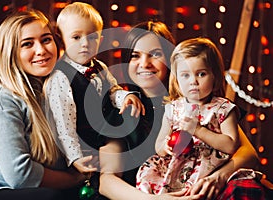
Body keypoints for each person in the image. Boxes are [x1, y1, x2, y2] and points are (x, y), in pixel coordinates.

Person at [99, 21, 261, 200]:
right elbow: (106, 181)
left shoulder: (195, 100)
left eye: (155, 54)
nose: (144, 63)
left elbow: (248, 153)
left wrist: (219, 177)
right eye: (135, 56)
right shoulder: (124, 110)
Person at [0, 9, 86, 200]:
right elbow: (20, 176)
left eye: (46, 40)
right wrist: (76, 179)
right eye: (27, 44)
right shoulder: (1, 100)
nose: (41, 50)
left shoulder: (59, 92)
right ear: (11, 53)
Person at [44, 1, 145, 197]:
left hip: (105, 135)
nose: (85, 43)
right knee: (94, 188)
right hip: (83, 145)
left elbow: (113, 90)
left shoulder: (99, 67)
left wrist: (126, 96)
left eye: (92, 37)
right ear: (61, 39)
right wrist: (74, 158)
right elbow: (63, 124)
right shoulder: (60, 77)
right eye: (76, 37)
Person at [136, 37, 241, 194]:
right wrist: (166, 146)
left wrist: (199, 130)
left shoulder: (222, 108)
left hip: (208, 171)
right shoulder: (173, 108)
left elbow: (231, 145)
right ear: (177, 80)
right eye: (185, 75)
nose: (193, 81)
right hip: (176, 171)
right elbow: (159, 146)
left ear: (215, 76)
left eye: (201, 74)